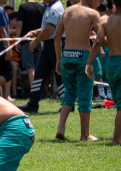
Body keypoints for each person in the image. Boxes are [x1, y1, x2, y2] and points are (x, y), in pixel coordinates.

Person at [54, 0, 100, 141]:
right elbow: (100, 38)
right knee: (85, 94)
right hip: (83, 56)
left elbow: (57, 37)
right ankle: (85, 135)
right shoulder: (93, 13)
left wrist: (59, 59)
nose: (98, 3)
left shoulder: (67, 11)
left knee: (69, 92)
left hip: (67, 55)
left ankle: (61, 128)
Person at [18, 0, 66, 113]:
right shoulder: (50, 7)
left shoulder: (55, 8)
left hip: (55, 44)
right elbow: (48, 26)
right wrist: (37, 31)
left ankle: (67, 104)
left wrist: (35, 41)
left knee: (60, 75)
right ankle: (33, 104)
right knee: (39, 74)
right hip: (49, 45)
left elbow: (49, 30)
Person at [86, 0, 121, 145]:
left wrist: (89, 63)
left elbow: (98, 41)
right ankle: (116, 139)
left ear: (113, 3)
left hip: (112, 63)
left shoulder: (106, 21)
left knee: (119, 102)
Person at [16, 0, 45, 91]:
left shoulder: (23, 7)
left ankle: (34, 92)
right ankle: (39, 91)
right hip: (38, 40)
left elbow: (19, 24)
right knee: (37, 68)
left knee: (30, 68)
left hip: (26, 40)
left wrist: (17, 40)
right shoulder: (41, 7)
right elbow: (43, 25)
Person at [4, 12, 20, 101]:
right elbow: (8, 32)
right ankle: (14, 93)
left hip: (21, 57)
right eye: (16, 20)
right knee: (14, 66)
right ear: (10, 21)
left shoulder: (19, 32)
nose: (18, 23)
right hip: (10, 58)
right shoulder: (7, 31)